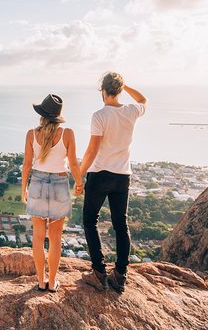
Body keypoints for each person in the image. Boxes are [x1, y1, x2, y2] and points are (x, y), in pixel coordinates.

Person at [80, 72, 147, 293]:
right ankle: (120, 275)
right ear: (118, 90)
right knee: (121, 225)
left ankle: (99, 272)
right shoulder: (131, 111)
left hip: (100, 174)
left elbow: (92, 150)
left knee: (90, 221)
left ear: (103, 91)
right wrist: (126, 87)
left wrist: (79, 175)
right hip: (122, 177)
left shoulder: (99, 115)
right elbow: (143, 100)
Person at [21, 94, 83, 293]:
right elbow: (73, 163)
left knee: (38, 237)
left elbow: (27, 165)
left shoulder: (32, 134)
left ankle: (41, 281)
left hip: (38, 183)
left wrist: (24, 188)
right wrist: (80, 183)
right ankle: (52, 281)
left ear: (42, 115)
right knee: (55, 238)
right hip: (59, 183)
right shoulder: (67, 134)